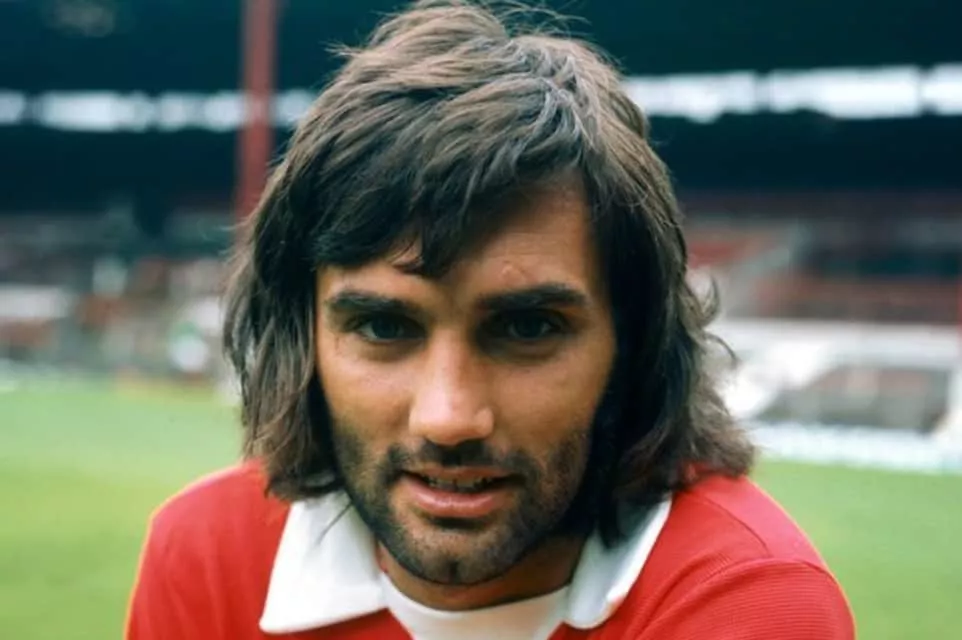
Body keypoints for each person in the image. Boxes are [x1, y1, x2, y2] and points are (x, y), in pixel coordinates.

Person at [126, 1, 855, 638]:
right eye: (384, 327)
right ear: (302, 334)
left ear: (634, 341)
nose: (448, 418)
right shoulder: (208, 556)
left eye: (528, 327)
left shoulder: (750, 602)